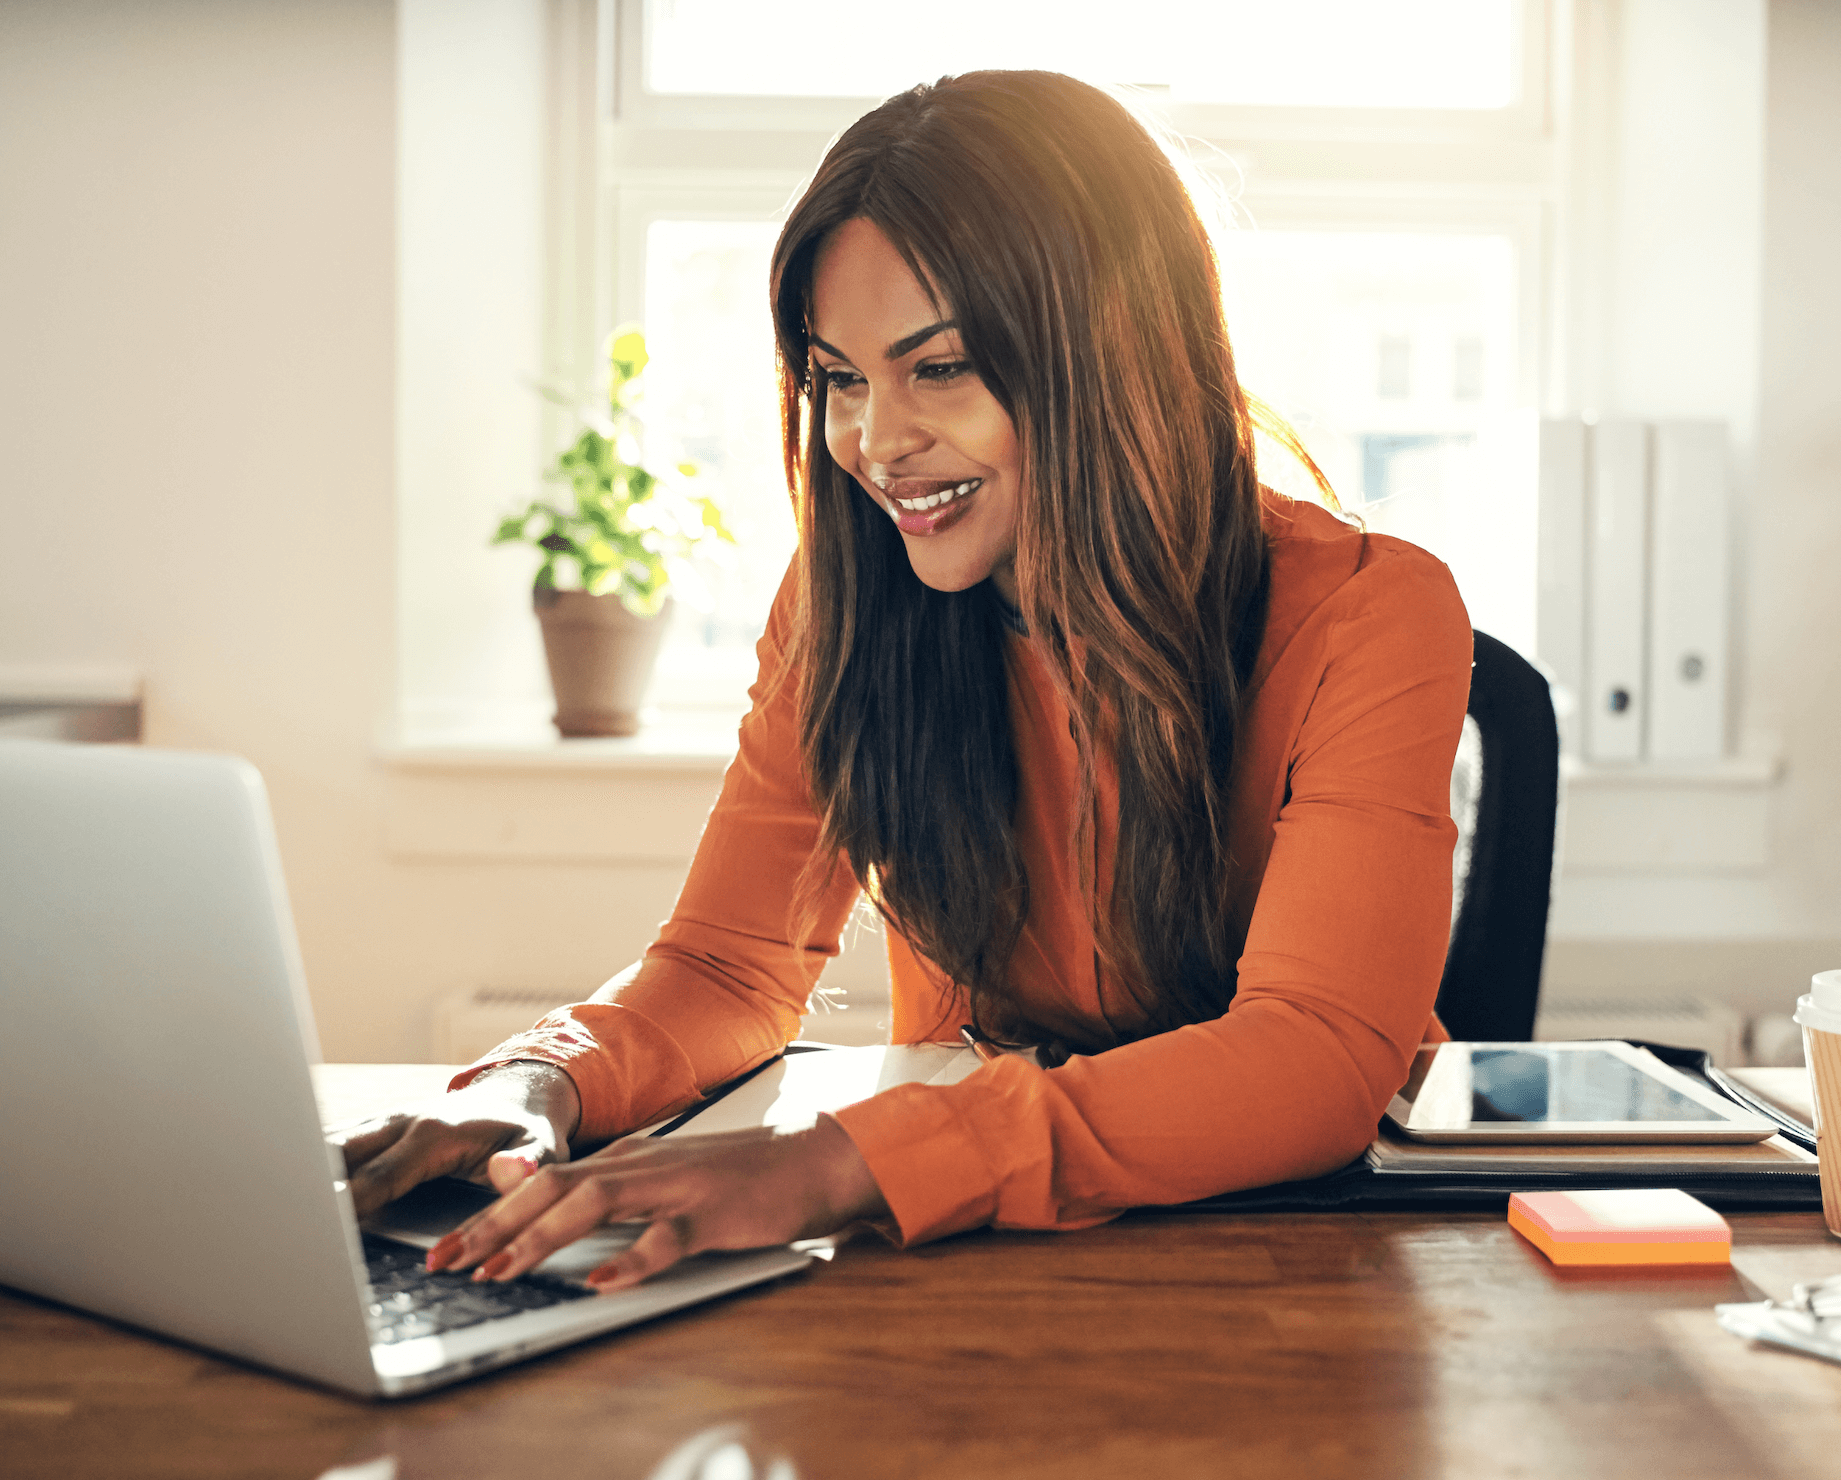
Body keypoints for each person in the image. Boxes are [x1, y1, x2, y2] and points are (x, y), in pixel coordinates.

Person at [337, 71, 1472, 1292]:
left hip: (1299, 1255)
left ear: (1113, 352)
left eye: (938, 369)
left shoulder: (1370, 612)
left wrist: (830, 1168)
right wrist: (535, 1083)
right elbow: (727, 967)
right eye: (837, 378)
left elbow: (1310, 1057)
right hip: (965, 1252)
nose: (873, 442)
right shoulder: (844, 606)